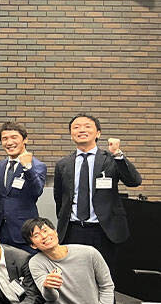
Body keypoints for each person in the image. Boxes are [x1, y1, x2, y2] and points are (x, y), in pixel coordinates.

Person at [53, 113, 141, 278]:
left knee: (105, 277)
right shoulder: (63, 164)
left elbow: (134, 181)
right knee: (76, 277)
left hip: (104, 231)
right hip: (73, 230)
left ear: (98, 133)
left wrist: (118, 154)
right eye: (76, 127)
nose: (81, 130)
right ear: (71, 135)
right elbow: (60, 198)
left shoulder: (111, 159)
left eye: (87, 126)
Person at [0, 121, 46, 254]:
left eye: (14, 137)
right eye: (5, 139)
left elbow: (37, 191)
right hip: (1, 230)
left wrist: (27, 167)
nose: (9, 142)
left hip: (24, 230)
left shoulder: (37, 165)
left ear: (25, 139)